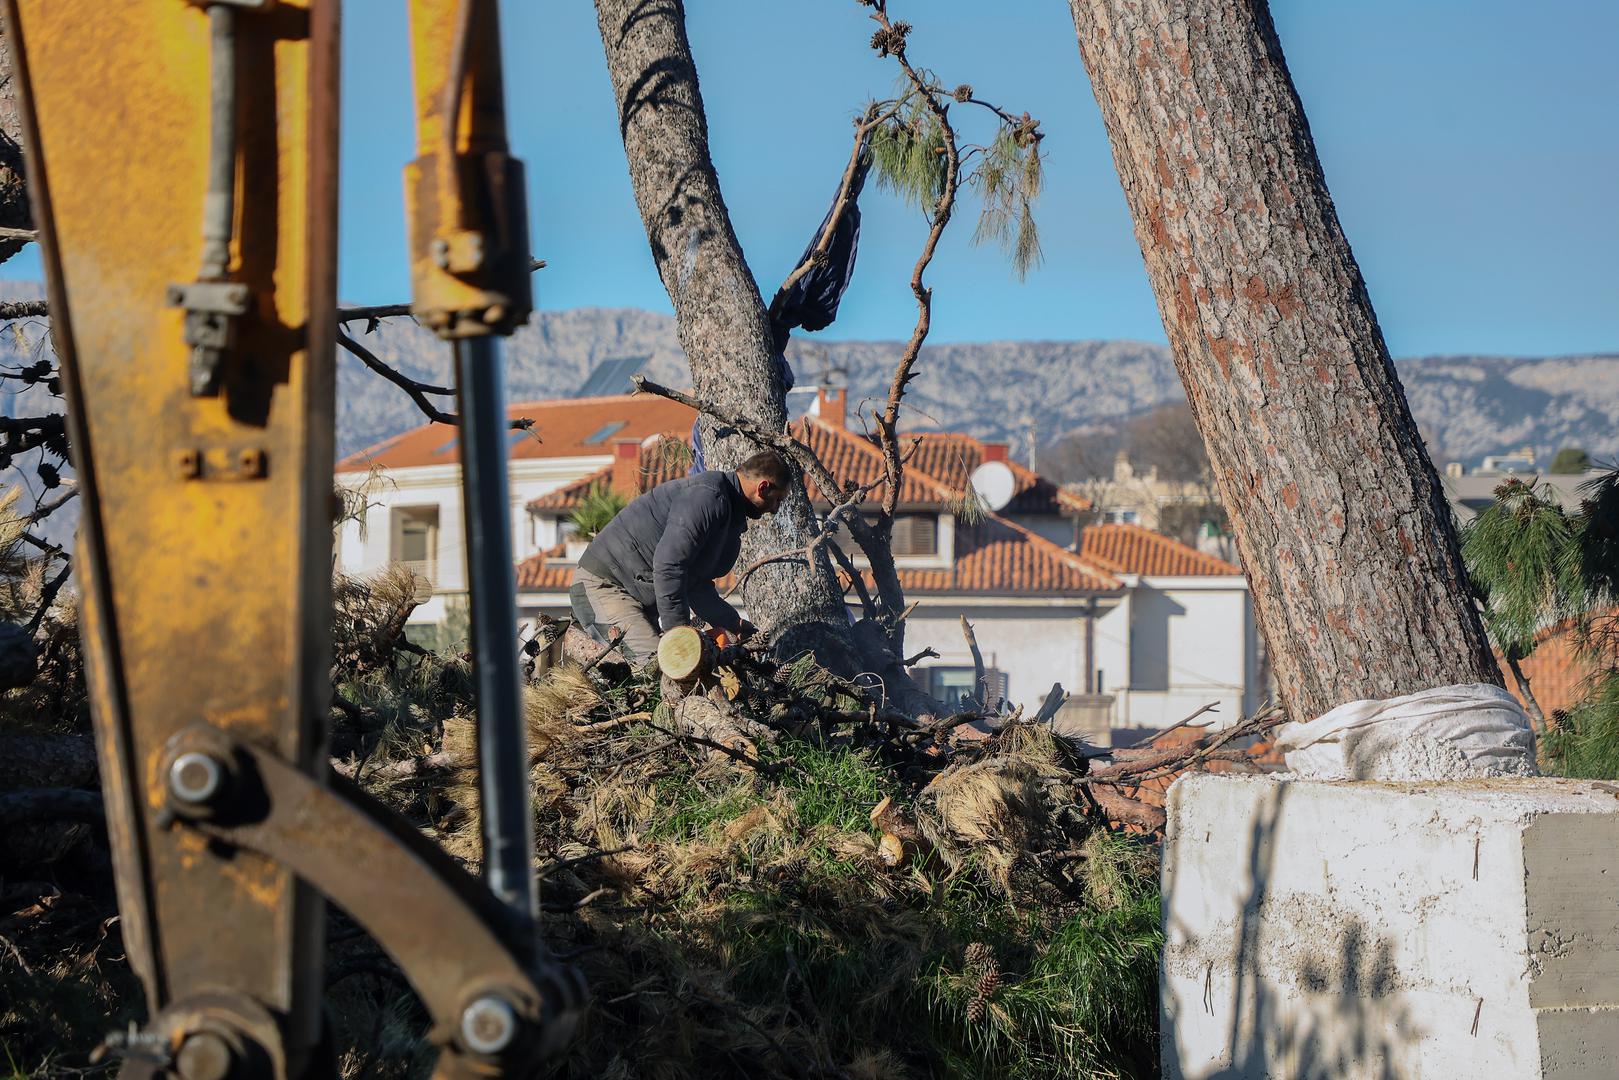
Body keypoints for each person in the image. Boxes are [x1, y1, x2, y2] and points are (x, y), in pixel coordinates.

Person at [569, 449, 790, 662]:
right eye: (778, 500)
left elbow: (695, 585)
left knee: (670, 673)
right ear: (763, 487)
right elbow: (669, 565)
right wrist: (679, 635)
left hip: (633, 596)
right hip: (604, 585)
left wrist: (735, 625)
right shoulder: (707, 498)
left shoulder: (727, 511)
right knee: (658, 670)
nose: (775, 509)